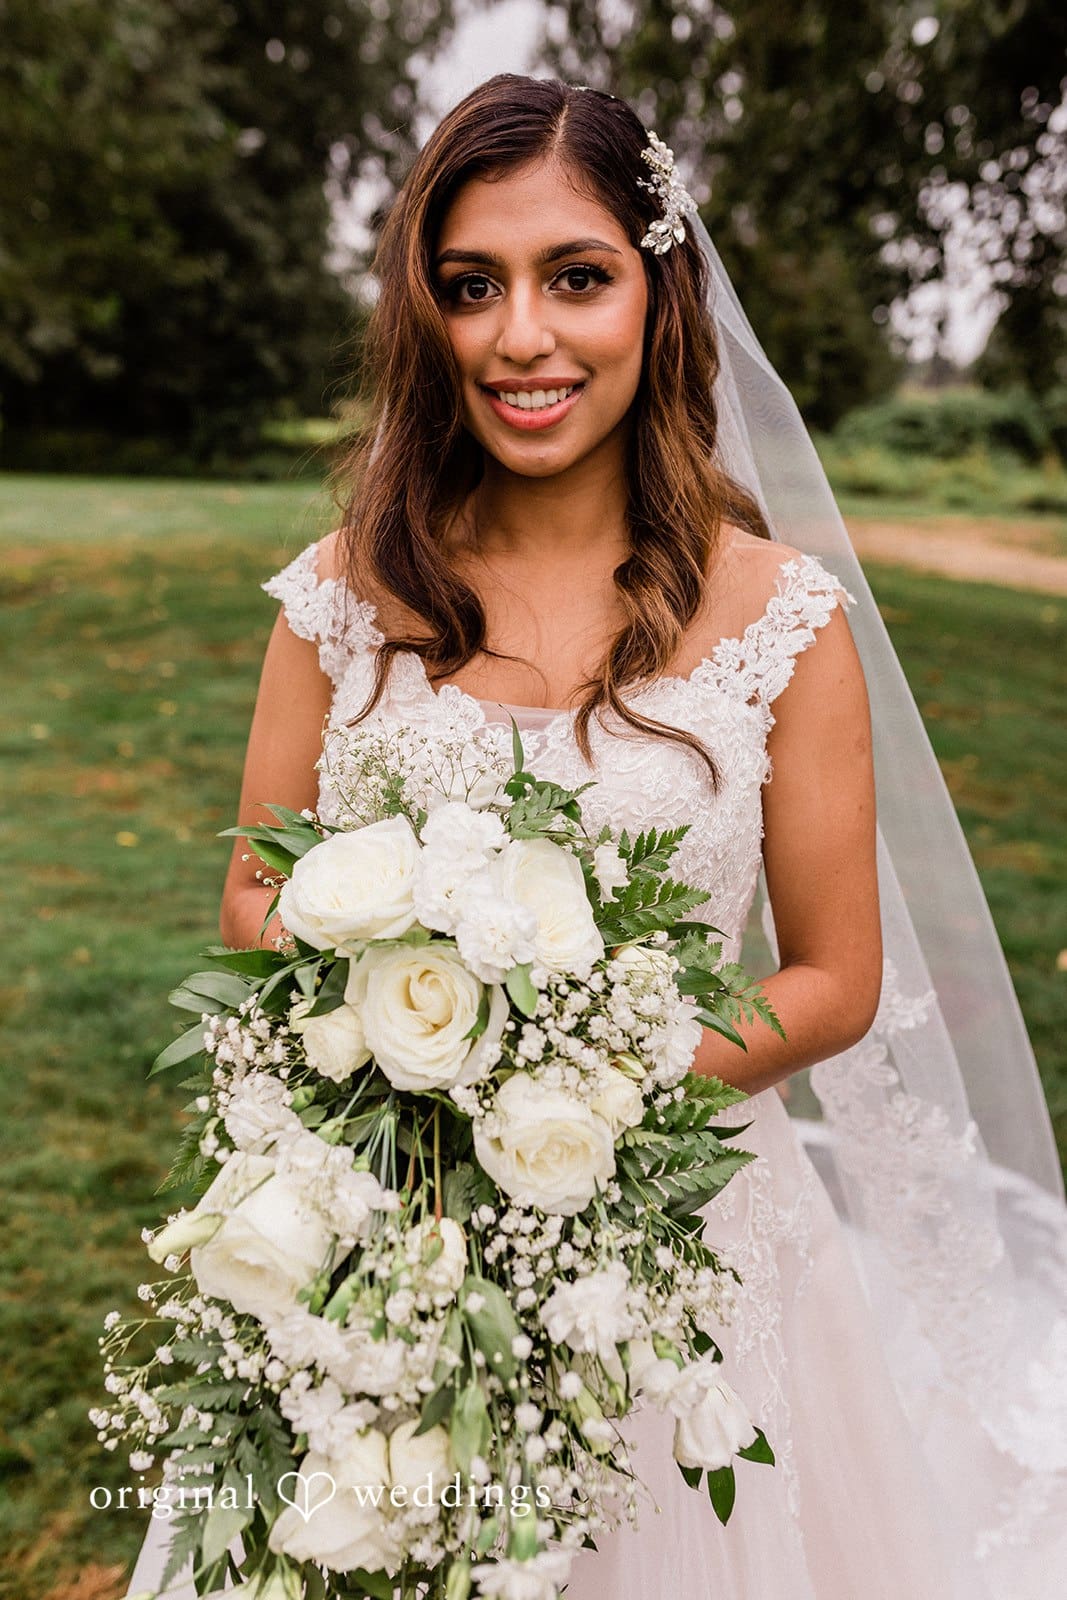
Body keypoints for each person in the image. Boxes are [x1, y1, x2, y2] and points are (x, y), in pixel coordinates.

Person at [125, 74, 1067, 1599]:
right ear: (425, 313)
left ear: (660, 291)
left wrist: (574, 1089)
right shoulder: (341, 595)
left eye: (577, 278)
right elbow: (251, 889)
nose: (522, 336)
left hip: (683, 1243)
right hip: (380, 1218)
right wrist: (420, 1065)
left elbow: (834, 978)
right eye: (471, 286)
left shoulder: (781, 619)